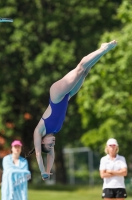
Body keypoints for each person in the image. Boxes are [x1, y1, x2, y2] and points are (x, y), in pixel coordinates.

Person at [26, 40, 117, 180]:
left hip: (56, 95)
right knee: (85, 71)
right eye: (53, 145)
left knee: (80, 67)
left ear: (43, 142)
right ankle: (103, 49)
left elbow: (39, 154)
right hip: (66, 97)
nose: (53, 144)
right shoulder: (54, 131)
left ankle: (103, 49)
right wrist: (49, 171)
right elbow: (51, 155)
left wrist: (42, 170)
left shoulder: (39, 131)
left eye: (50, 144)